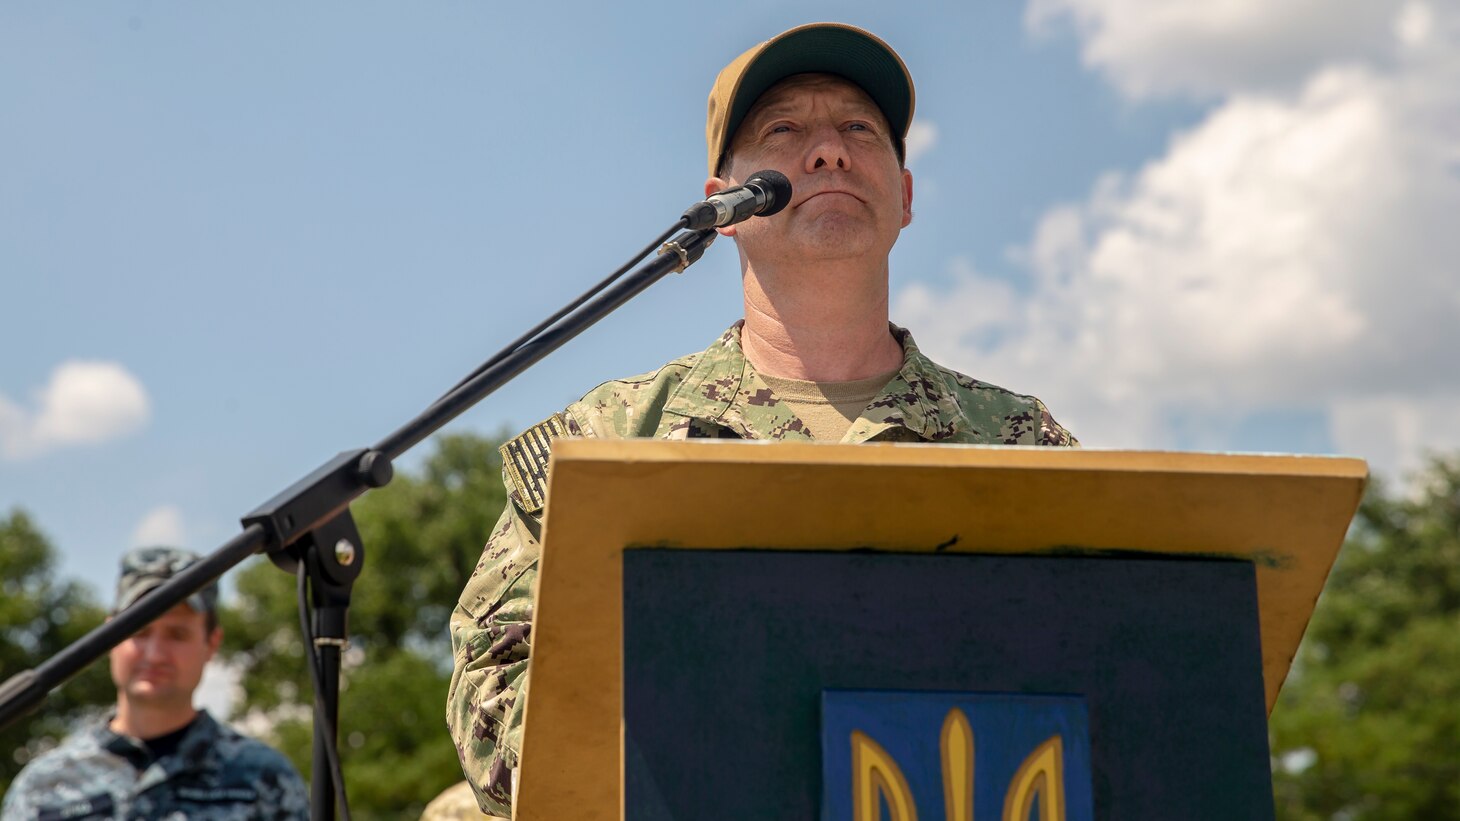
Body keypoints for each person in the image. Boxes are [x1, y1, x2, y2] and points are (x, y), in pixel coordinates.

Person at [445, 22, 1078, 816]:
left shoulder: (1020, 441)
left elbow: (1106, 668)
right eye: (784, 130)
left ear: (906, 196)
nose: (828, 151)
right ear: (725, 209)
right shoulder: (612, 433)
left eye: (858, 128)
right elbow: (494, 674)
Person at [2, 547, 309, 820]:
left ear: (212, 643)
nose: (155, 653)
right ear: (109, 636)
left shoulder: (265, 781)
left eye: (177, 634)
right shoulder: (45, 785)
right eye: (139, 631)